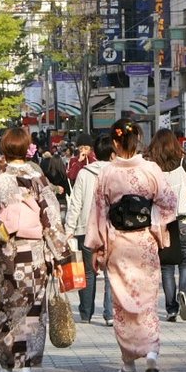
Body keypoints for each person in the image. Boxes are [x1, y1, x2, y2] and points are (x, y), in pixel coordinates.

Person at [0, 128, 73, 372]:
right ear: (27, 148)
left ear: (4, 149)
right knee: (31, 309)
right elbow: (51, 216)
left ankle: (6, 365)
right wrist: (60, 254)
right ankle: (24, 365)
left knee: (7, 307)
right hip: (35, 254)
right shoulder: (37, 178)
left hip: (9, 252)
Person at [86, 119, 177, 372]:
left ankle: (128, 362)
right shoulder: (151, 169)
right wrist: (154, 222)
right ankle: (151, 352)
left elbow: (99, 212)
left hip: (118, 243)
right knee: (147, 301)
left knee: (122, 304)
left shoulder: (107, 173)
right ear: (137, 140)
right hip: (144, 241)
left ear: (115, 143)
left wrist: (97, 248)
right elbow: (169, 203)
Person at [146, 129, 186, 321]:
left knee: (167, 266)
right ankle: (184, 293)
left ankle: (171, 309)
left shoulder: (152, 168)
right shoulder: (185, 163)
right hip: (185, 220)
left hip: (163, 224)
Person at [64, 135, 115, 325]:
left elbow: (75, 203)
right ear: (112, 154)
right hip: (111, 229)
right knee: (111, 272)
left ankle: (86, 313)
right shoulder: (116, 173)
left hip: (85, 229)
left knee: (88, 272)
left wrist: (69, 228)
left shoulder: (84, 174)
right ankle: (110, 314)